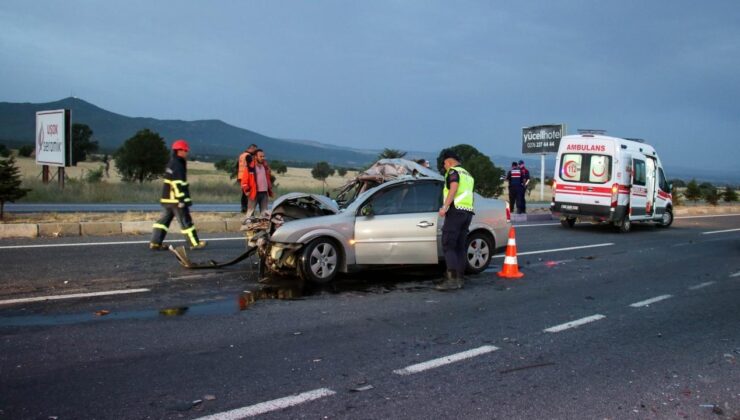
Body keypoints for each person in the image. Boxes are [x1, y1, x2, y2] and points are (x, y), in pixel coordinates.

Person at [149, 139, 206, 250]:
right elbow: (177, 184)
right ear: (179, 151)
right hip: (176, 200)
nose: (186, 152)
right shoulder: (178, 164)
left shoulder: (171, 163)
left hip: (167, 200)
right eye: (185, 150)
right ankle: (195, 244)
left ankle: (155, 243)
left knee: (162, 222)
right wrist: (181, 199)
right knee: (185, 222)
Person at [436, 149, 475, 291]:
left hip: (455, 211)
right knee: (459, 246)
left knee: (448, 244)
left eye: (444, 164)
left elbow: (453, 187)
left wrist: (445, 207)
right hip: (467, 212)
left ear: (449, 161)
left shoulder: (453, 172)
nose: (444, 167)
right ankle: (459, 279)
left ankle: (451, 280)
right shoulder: (468, 175)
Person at [242, 148, 274, 221]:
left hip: (264, 193)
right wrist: (247, 190)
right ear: (255, 157)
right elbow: (244, 181)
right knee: (250, 212)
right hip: (253, 193)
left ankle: (263, 227)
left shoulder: (265, 167)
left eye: (263, 156)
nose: (263, 158)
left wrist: (269, 187)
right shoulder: (250, 168)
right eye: (261, 156)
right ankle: (248, 228)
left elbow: (268, 178)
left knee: (264, 213)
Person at [237, 144, 258, 212]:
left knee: (244, 192)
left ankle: (244, 208)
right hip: (246, 176)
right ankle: (245, 208)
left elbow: (238, 166)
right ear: (252, 148)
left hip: (240, 175)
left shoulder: (242, 155)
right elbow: (252, 166)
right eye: (255, 150)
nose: (255, 152)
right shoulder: (248, 156)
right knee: (247, 193)